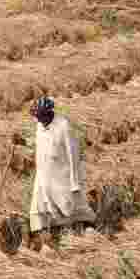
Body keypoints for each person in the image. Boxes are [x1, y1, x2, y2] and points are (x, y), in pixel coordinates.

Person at [28, 96, 96, 236]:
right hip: (44, 173)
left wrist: (74, 181)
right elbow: (40, 150)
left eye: (41, 116)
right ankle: (44, 233)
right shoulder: (39, 126)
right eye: (37, 117)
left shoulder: (63, 126)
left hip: (61, 174)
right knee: (40, 204)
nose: (39, 120)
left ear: (48, 113)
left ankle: (81, 229)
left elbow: (73, 154)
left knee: (68, 205)